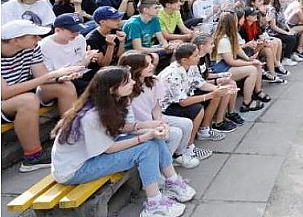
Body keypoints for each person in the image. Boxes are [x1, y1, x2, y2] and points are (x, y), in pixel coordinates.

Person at [50, 67, 196, 217]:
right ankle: (154, 205)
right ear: (113, 89)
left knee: (153, 140)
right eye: (127, 82)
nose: (133, 82)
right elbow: (109, 149)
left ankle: (172, 182)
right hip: (74, 169)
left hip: (91, 156)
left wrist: (148, 126)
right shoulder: (91, 116)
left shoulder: (111, 101)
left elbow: (120, 128)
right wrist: (145, 136)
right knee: (146, 148)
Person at [1, 20, 84, 172]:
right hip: (4, 102)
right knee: (29, 100)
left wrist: (60, 77)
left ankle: (68, 139)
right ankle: (32, 157)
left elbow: (42, 76)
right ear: (15, 41)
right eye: (34, 36)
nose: (39, 39)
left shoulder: (32, 48)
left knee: (65, 87)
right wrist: (51, 76)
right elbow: (4, 93)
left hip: (24, 93)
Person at [120, 52, 200, 169]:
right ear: (136, 68)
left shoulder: (154, 81)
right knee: (175, 133)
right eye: (147, 65)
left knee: (186, 123)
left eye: (151, 63)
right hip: (136, 126)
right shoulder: (126, 89)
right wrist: (155, 126)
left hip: (152, 119)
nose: (152, 66)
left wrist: (159, 121)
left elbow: (156, 107)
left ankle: (178, 155)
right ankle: (161, 167)